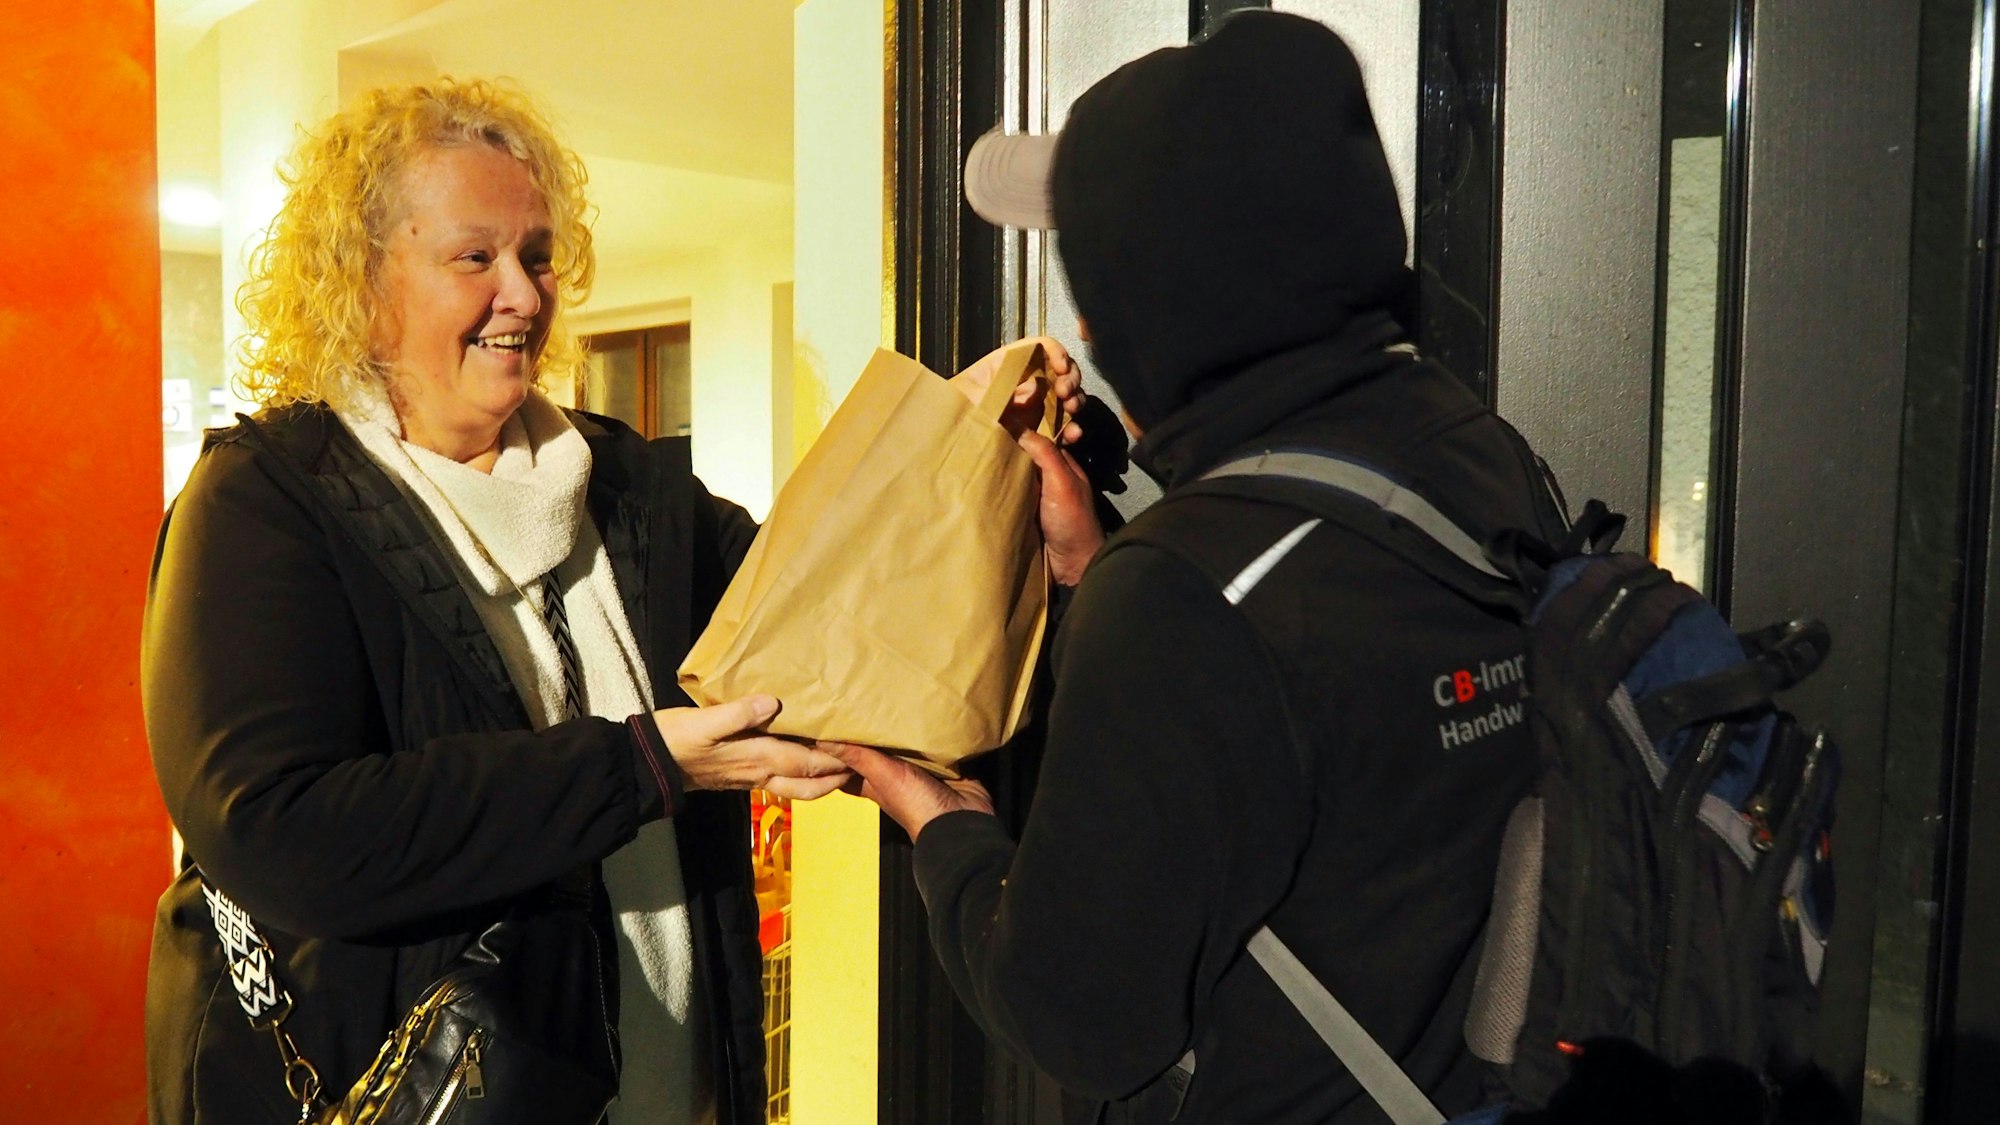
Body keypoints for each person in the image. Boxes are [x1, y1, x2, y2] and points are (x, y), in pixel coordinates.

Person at [141, 79, 1082, 1124]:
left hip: (669, 1087)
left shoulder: (624, 484)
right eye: (474, 258)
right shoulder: (268, 499)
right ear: (360, 284)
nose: (524, 295)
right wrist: (640, 767)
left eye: (537, 256)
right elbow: (278, 832)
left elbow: (824, 624)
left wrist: (960, 445)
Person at [835, 13, 1570, 1124]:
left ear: (1151, 304)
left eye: (1094, 274)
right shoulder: (1480, 461)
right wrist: (1104, 565)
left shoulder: (1189, 591)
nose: (1079, 321)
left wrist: (944, 828)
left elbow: (1077, 1018)